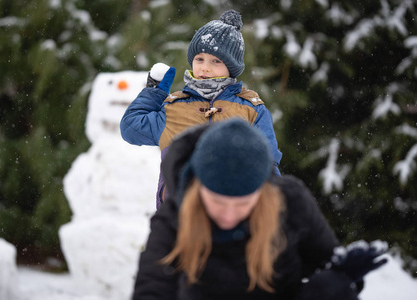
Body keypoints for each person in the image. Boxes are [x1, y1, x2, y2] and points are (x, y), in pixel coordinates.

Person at [132, 118, 388, 300]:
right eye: (218, 202)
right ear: (198, 188)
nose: (229, 215)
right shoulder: (175, 216)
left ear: (263, 191)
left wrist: (342, 276)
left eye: (243, 203)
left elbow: (325, 266)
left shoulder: (291, 202)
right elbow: (152, 288)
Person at [120, 10, 282, 209]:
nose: (205, 68)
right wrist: (153, 93)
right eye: (199, 59)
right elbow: (131, 128)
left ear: (231, 67)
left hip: (233, 214)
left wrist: (275, 210)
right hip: (179, 214)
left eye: (216, 61)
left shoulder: (250, 109)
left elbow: (268, 164)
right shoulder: (174, 108)